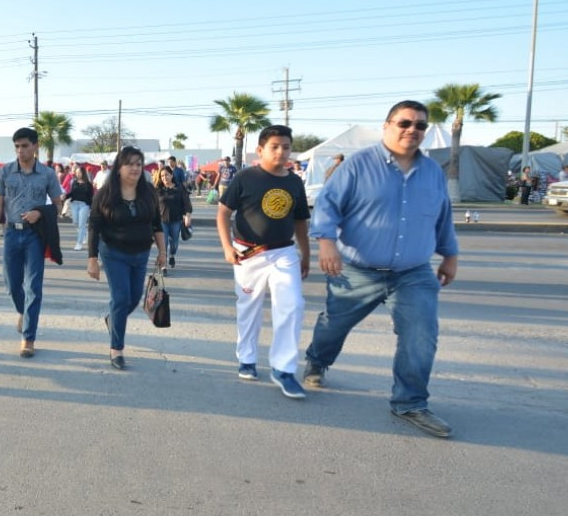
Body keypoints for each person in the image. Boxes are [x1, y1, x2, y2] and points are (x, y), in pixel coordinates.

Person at [304, 100, 459, 437]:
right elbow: (328, 206)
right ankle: (317, 360)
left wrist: (450, 254)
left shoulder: (432, 172)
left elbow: (442, 215)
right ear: (387, 125)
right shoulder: (358, 166)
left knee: (421, 334)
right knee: (333, 326)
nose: (412, 130)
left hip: (414, 272)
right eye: (405, 123)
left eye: (420, 125)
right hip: (359, 270)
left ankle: (410, 403)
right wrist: (326, 243)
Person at [216, 125, 311, 399]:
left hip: (283, 253)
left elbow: (300, 221)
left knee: (292, 305)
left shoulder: (294, 182)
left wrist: (306, 254)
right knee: (249, 307)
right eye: (275, 147)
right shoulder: (245, 178)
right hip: (248, 254)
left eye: (286, 147)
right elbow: (223, 214)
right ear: (260, 150)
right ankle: (246, 358)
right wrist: (226, 247)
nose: (281, 152)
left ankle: (283, 368)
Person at [0, 127, 64, 358]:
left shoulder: (48, 174)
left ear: (35, 146)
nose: (20, 151)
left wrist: (40, 212)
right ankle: (23, 311)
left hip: (34, 235)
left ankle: (28, 338)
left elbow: (59, 206)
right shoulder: (6, 172)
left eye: (25, 146)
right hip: (11, 233)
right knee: (12, 284)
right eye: (17, 147)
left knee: (34, 287)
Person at [87, 146, 165, 370]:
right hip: (113, 253)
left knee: (134, 298)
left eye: (139, 164)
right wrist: (92, 258)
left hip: (141, 254)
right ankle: (116, 349)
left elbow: (157, 224)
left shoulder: (149, 191)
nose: (135, 168)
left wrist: (162, 252)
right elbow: (94, 225)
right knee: (121, 298)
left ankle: (113, 319)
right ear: (119, 168)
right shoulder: (106, 193)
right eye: (130, 163)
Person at [155, 166, 193, 275]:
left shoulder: (179, 188)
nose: (164, 177)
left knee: (174, 244)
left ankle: (172, 255)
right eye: (162, 176)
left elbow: (187, 204)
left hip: (176, 220)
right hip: (161, 221)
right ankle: (163, 266)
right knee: (164, 243)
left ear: (172, 175)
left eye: (166, 175)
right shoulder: (157, 190)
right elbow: (152, 205)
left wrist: (188, 216)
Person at [65, 165, 94, 251]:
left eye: (79, 172)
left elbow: (91, 196)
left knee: (81, 225)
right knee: (75, 222)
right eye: (76, 172)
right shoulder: (74, 182)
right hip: (74, 204)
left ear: (83, 173)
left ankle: (79, 243)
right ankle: (84, 233)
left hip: (84, 206)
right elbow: (72, 193)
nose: (77, 174)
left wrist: (91, 207)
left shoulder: (88, 184)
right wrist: (65, 196)